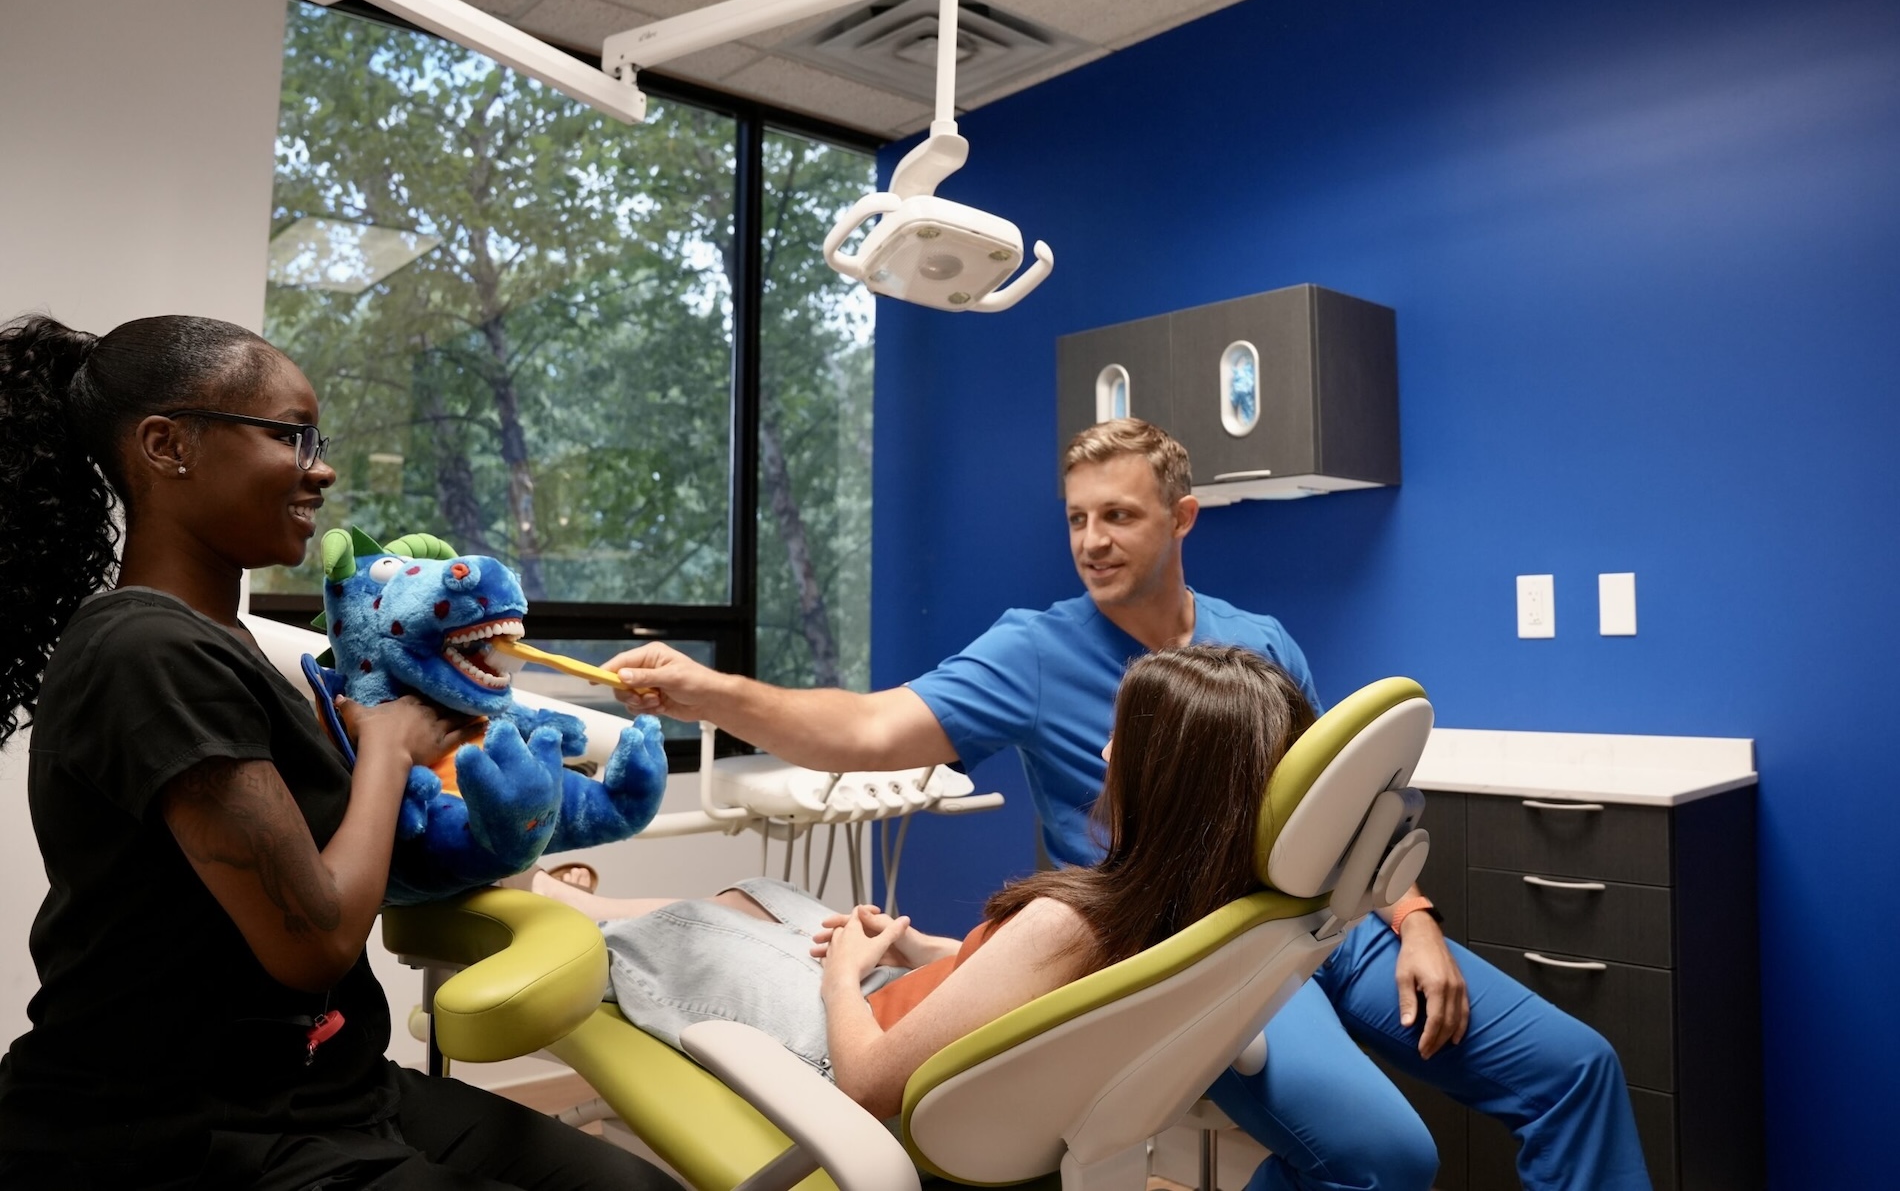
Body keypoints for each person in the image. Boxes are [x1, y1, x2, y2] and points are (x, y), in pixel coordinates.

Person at [602, 418, 1652, 1191]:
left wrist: (1412, 921)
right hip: (1205, 953)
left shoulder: (1259, 643)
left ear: (1181, 518)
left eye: (1119, 515)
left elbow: (1347, 806)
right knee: (1382, 1157)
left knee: (1578, 1068)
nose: (1092, 539)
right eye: (1076, 519)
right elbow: (872, 730)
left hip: (1331, 927)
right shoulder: (1034, 649)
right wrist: (711, 691)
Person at [0, 314, 674, 1191]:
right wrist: (390, 751)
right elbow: (310, 939)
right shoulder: (144, 652)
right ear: (168, 445)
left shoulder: (223, 643)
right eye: (291, 436)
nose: (320, 467)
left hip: (330, 1088)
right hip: (180, 1125)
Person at [532, 644, 1311, 1119]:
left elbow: (869, 1083)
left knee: (672, 934)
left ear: (1166, 778)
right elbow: (1045, 997)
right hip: (908, 1002)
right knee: (754, 892)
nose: (1106, 753)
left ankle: (552, 901)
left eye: (1124, 739)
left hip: (847, 1045)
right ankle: (596, 901)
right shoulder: (1189, 912)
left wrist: (846, 976)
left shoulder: (1065, 927)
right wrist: (922, 950)